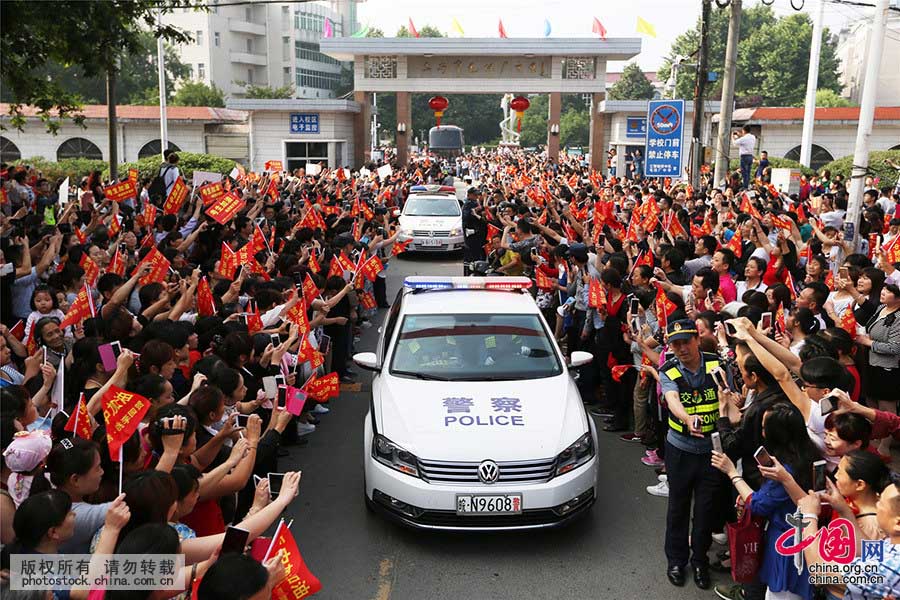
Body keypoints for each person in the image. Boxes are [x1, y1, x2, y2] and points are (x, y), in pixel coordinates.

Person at [658, 319, 724, 590]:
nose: (682, 348)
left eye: (686, 341)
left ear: (698, 339)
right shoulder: (668, 370)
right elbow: (672, 399)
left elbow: (725, 395)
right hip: (680, 450)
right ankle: (676, 560)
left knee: (706, 510)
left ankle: (699, 561)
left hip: (712, 451)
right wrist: (687, 418)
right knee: (678, 507)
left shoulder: (717, 363)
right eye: (675, 344)